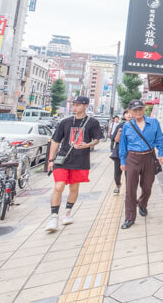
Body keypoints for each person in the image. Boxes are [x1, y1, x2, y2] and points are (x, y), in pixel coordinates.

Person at [45, 96, 103, 232]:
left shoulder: (92, 122)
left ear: (85, 106)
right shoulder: (64, 122)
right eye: (74, 104)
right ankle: (53, 217)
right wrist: (50, 160)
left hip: (80, 160)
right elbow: (55, 141)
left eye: (78, 105)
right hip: (62, 159)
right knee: (59, 187)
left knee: (74, 188)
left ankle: (67, 213)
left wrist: (88, 144)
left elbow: (97, 139)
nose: (74, 107)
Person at [118, 100, 163, 229]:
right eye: (134, 110)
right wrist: (122, 160)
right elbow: (123, 144)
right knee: (130, 189)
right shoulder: (127, 126)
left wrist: (161, 153)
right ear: (130, 112)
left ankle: (142, 203)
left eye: (140, 109)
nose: (138, 112)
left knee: (148, 186)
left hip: (149, 156)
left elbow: (159, 139)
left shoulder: (153, 122)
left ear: (144, 109)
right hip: (132, 158)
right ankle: (129, 217)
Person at [108, 110, 131, 195]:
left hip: (131, 153)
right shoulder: (120, 126)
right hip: (119, 153)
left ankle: (129, 191)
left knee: (129, 175)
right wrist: (119, 132)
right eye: (127, 113)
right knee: (117, 174)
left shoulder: (136, 126)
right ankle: (118, 185)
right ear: (124, 115)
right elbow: (115, 140)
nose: (129, 115)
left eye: (130, 113)